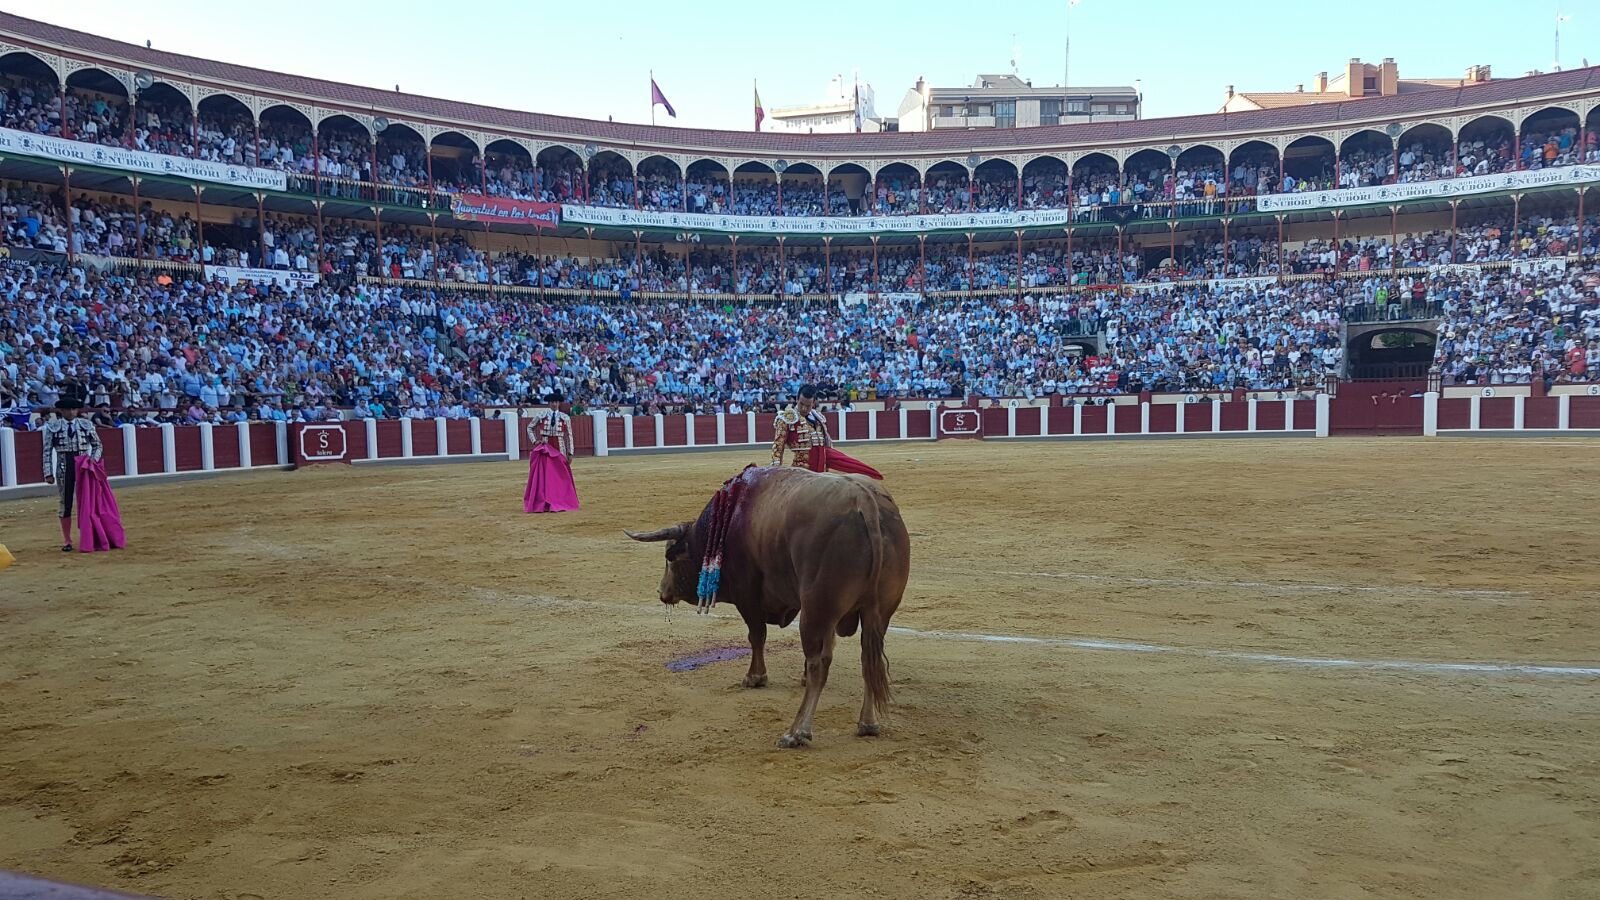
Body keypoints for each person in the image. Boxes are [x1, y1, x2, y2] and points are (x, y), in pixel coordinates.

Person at [770, 384, 883, 479]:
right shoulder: (786, 418)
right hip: (802, 474)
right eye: (801, 404)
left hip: (823, 470)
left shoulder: (818, 417)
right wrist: (775, 472)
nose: (804, 408)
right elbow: (778, 447)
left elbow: (826, 444)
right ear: (797, 399)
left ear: (814, 402)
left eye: (808, 405)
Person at [41, 390, 104, 551]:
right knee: (65, 502)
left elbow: (98, 445)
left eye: (73, 409)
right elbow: (47, 451)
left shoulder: (86, 424)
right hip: (64, 465)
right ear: (61, 411)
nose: (71, 412)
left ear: (77, 410)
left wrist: (93, 461)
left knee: (87, 503)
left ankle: (88, 537)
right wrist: (47, 472)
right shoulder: (52, 427)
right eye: (67, 409)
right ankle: (67, 540)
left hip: (84, 466)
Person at [523, 393, 580, 513]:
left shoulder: (565, 417)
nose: (554, 404)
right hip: (545, 448)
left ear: (559, 403)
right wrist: (534, 441)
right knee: (546, 478)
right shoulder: (541, 415)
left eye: (556, 402)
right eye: (552, 402)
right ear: (549, 403)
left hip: (560, 449)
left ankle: (561, 500)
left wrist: (570, 453)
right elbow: (529, 428)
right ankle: (546, 502)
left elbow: (569, 436)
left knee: (561, 476)